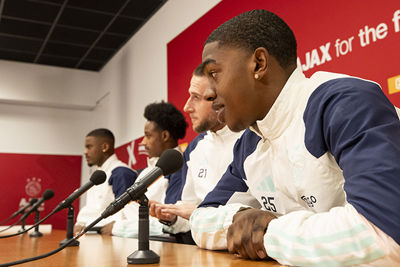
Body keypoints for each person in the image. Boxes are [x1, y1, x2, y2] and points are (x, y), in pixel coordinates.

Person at [190, 9, 400, 266]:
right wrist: (241, 217)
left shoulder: (344, 103)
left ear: (258, 64)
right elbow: (201, 219)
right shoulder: (250, 142)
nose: (210, 92)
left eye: (214, 73)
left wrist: (269, 232)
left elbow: (383, 235)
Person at [149, 65, 256, 244]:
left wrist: (198, 214)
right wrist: (173, 217)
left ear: (222, 98)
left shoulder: (252, 139)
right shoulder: (194, 148)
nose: (186, 107)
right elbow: (187, 212)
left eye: (196, 98)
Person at [111, 101, 188, 237]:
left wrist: (116, 228)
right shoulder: (147, 170)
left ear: (165, 136)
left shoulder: (180, 168)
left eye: (148, 136)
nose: (143, 142)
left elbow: (168, 223)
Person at [74, 128, 138, 234]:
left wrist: (89, 227)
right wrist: (80, 224)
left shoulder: (121, 172)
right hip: (90, 234)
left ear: (105, 147)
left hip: (110, 237)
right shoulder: (98, 174)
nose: (85, 152)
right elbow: (92, 209)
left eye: (89, 147)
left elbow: (125, 212)